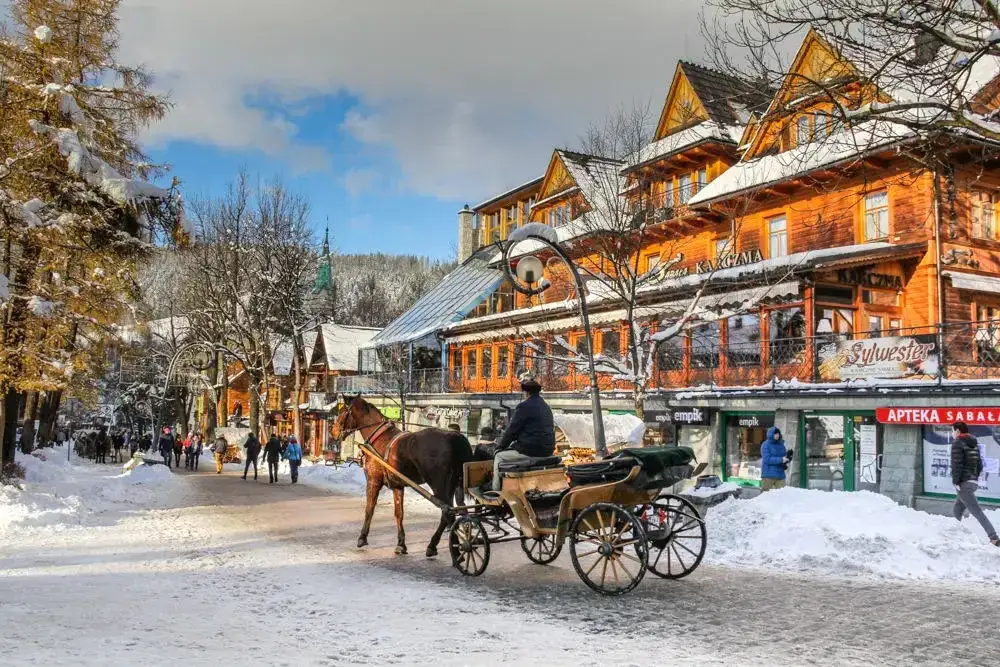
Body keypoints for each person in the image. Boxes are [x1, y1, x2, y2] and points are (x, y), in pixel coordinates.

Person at [491, 374, 555, 491]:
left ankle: (495, 491)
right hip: (548, 450)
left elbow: (512, 431)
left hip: (531, 451)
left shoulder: (524, 406)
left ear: (526, 393)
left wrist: (500, 447)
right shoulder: (546, 407)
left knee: (498, 456)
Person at [950, 422, 999, 546]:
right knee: (958, 508)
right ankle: (951, 534)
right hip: (973, 482)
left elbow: (957, 464)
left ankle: (993, 537)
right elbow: (979, 463)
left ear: (958, 431)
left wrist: (956, 481)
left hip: (964, 483)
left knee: (977, 511)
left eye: (952, 430)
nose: (952, 433)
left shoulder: (957, 443)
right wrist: (974, 477)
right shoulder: (974, 442)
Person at [760, 426, 793, 491]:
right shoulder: (765, 445)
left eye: (778, 433)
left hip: (780, 475)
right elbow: (767, 459)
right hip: (768, 475)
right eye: (775, 433)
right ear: (771, 434)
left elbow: (783, 457)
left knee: (782, 494)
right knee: (765, 495)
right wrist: (781, 459)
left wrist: (788, 457)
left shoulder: (781, 445)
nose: (777, 435)